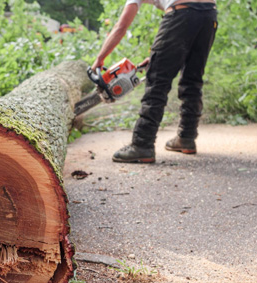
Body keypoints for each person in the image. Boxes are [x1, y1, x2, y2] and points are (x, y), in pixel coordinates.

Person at [92, 0, 218, 163]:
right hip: (209, 15)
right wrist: (158, 56)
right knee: (192, 78)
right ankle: (186, 137)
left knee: (157, 80)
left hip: (181, 12)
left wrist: (99, 58)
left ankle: (142, 144)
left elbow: (121, 27)